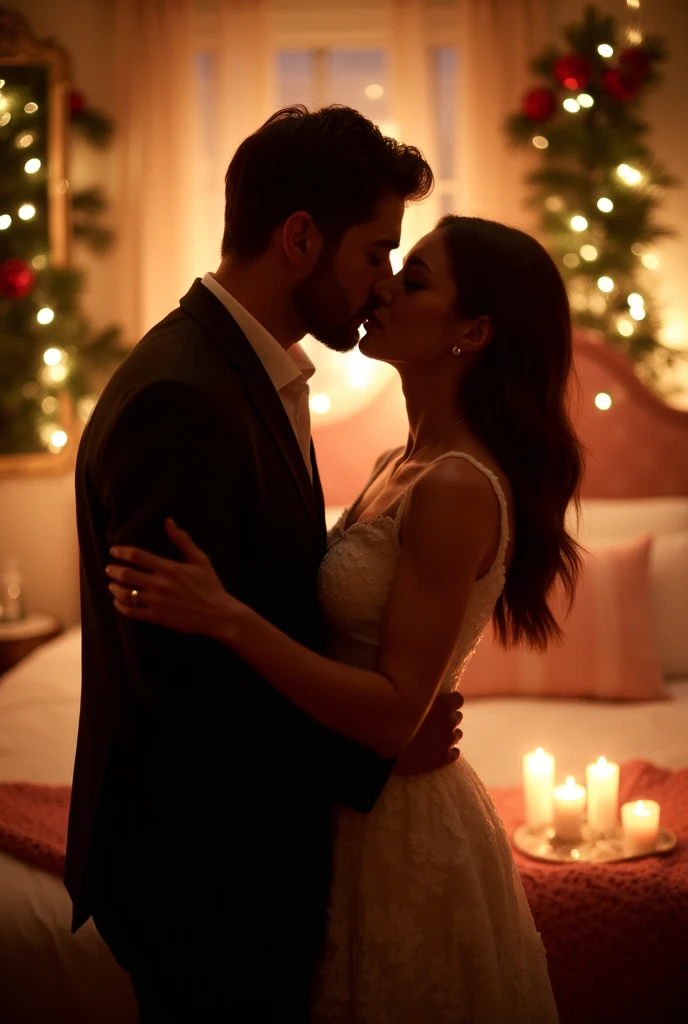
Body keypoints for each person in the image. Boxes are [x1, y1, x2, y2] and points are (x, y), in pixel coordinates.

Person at [106, 214, 585, 1023]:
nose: (384, 285)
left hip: (399, 824)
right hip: (339, 808)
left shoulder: (457, 488)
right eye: (390, 262)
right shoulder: (396, 464)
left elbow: (399, 712)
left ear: (474, 331)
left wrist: (227, 618)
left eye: (417, 278)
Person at [65, 105, 465, 1022]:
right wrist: (374, 753)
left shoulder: (246, 372)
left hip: (233, 857)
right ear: (298, 239)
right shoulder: (185, 396)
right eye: (374, 253)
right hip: (203, 869)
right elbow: (184, 684)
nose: (382, 285)